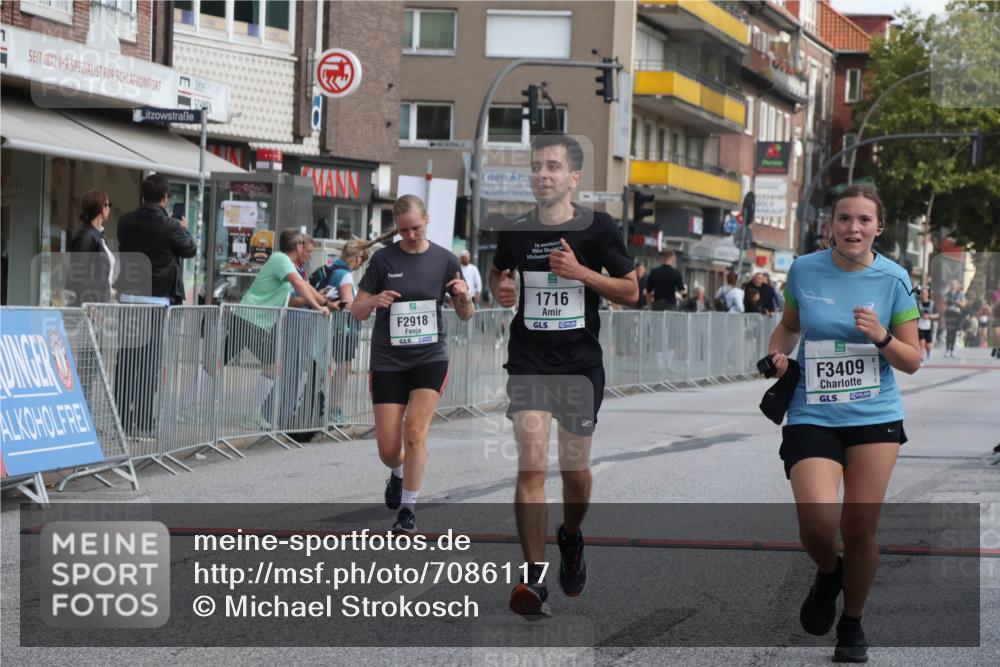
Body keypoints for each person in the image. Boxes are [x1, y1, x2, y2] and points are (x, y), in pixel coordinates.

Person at [764, 184, 920, 663]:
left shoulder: (893, 278)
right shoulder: (805, 269)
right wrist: (777, 354)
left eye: (864, 220)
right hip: (813, 410)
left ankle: (851, 623)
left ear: (878, 227)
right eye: (845, 219)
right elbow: (790, 325)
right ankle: (829, 571)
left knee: (859, 527)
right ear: (830, 223)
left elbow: (912, 360)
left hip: (874, 416)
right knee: (816, 521)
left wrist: (880, 336)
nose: (854, 228)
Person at [488, 133, 638, 618]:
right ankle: (532, 580)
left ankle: (570, 537)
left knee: (575, 473)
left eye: (552, 167)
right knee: (531, 468)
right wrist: (502, 290)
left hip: (579, 367)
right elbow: (498, 274)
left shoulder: (598, 229)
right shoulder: (513, 232)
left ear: (573, 177)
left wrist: (582, 274)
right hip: (529, 361)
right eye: (535, 167)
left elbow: (630, 292)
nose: (542, 175)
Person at [352, 195, 474, 533]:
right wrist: (375, 300)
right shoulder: (383, 260)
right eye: (403, 230)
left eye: (415, 228)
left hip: (429, 357)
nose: (410, 235)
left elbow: (466, 314)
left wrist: (464, 297)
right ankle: (398, 472)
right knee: (390, 449)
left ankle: (408, 510)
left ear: (427, 220)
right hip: (388, 359)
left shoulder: (445, 260)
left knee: (415, 432)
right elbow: (356, 310)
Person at [113, 174, 196, 433]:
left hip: (129, 298)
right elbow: (189, 250)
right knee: (149, 362)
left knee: (126, 358)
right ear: (164, 197)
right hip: (156, 301)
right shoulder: (170, 225)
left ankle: (121, 420)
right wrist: (182, 227)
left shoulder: (126, 221)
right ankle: (144, 420)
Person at [225, 229, 330, 429]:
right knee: (274, 366)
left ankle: (185, 408)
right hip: (251, 319)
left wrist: (326, 302)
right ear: (297, 246)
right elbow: (300, 285)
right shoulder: (281, 258)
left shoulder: (286, 263)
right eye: (304, 246)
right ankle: (252, 416)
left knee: (216, 363)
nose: (306, 250)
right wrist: (318, 306)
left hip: (251, 319)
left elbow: (305, 288)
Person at [311, 238, 378, 423]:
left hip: (329, 328)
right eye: (362, 260)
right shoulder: (345, 275)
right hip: (344, 330)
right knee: (342, 370)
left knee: (326, 369)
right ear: (357, 258)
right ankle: (334, 410)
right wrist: (367, 304)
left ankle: (322, 409)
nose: (360, 265)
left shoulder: (331, 269)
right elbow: (348, 304)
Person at [66, 190, 115, 306]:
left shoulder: (98, 235)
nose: (110, 208)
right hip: (88, 306)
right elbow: (78, 276)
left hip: (97, 303)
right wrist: (91, 307)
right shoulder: (86, 237)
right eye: (109, 204)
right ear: (102, 208)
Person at [942, 279, 966, 357]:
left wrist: (958, 302)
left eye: (955, 284)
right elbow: (944, 304)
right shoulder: (947, 293)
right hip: (949, 313)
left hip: (957, 314)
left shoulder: (961, 294)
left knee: (955, 332)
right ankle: (947, 349)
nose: (953, 286)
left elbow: (964, 304)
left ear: (957, 285)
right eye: (952, 284)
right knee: (949, 332)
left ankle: (952, 349)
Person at [916, 286, 939, 365]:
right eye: (922, 293)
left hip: (929, 326)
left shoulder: (932, 303)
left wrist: (929, 316)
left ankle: (929, 351)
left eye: (925, 293)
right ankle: (921, 360)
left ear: (928, 294)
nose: (924, 294)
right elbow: (914, 314)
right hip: (920, 326)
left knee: (928, 345)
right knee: (921, 343)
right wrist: (919, 316)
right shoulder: (917, 303)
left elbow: (937, 315)